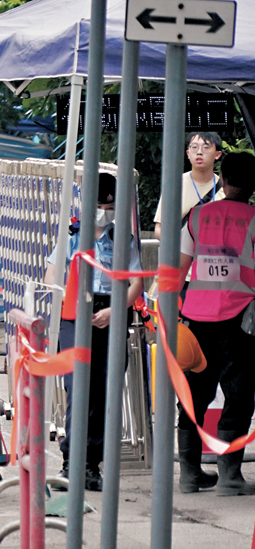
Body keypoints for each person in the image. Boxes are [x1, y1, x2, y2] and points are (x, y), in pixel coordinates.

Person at [43, 173, 143, 492]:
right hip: (75, 315)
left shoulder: (124, 239)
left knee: (103, 389)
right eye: (99, 206)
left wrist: (116, 311)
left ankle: (90, 465)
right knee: (79, 388)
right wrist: (71, 305)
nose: (103, 212)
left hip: (111, 312)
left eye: (109, 207)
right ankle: (71, 461)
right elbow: (51, 277)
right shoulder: (72, 235)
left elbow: (137, 283)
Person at [177, 151, 255, 496]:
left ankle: (189, 475)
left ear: (222, 179)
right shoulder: (254, 219)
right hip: (240, 322)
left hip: (196, 320)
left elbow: (177, 269)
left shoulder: (197, 216)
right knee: (238, 398)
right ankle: (230, 477)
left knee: (193, 397)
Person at [154, 132, 224, 240]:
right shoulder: (174, 185)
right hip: (182, 249)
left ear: (217, 154)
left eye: (206, 147)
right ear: (188, 153)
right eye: (194, 147)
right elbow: (159, 228)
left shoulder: (226, 189)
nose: (199, 152)